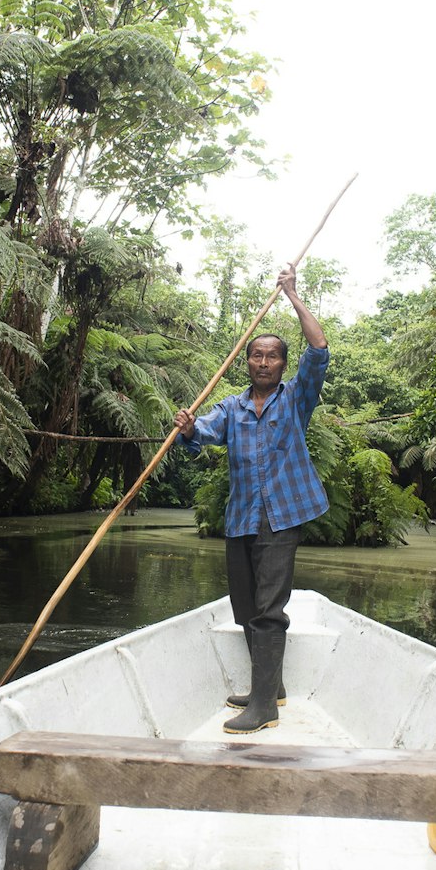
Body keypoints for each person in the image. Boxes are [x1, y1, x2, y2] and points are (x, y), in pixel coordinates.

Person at [173, 263, 329, 734]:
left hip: (282, 517)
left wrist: (293, 296)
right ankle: (271, 686)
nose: (263, 362)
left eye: (272, 357)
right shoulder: (232, 408)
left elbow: (319, 350)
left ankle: (264, 707)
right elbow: (203, 434)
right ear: (248, 363)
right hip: (242, 518)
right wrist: (186, 427)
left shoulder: (296, 399)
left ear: (282, 365)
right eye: (256, 356)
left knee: (268, 610)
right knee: (245, 608)